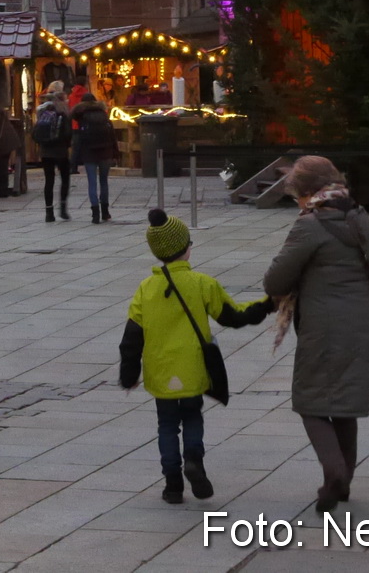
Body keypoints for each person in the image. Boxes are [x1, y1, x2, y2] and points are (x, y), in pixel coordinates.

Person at [119, 209, 273, 503]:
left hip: (160, 371)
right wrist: (266, 305)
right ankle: (194, 460)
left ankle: (172, 484)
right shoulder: (202, 283)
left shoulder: (145, 289)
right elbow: (233, 316)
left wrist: (129, 376)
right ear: (186, 249)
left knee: (166, 424)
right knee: (192, 416)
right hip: (193, 368)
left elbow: (131, 338)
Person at [261, 155, 369, 513]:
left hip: (325, 326)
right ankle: (343, 483)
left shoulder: (310, 224)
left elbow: (275, 280)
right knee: (344, 404)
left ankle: (334, 472)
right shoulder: (357, 214)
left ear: (309, 192)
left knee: (310, 401)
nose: (296, 202)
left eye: (296, 195)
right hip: (363, 320)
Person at [73, 92, 117, 223]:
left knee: (92, 182)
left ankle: (95, 213)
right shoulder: (104, 115)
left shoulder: (82, 117)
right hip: (105, 152)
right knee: (104, 181)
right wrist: (115, 153)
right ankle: (105, 212)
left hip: (89, 153)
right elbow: (112, 135)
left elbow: (78, 139)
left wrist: (75, 158)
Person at [33, 91, 72, 222]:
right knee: (65, 180)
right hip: (61, 152)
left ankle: (49, 212)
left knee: (49, 181)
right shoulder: (63, 114)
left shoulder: (42, 114)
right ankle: (63, 208)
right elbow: (68, 134)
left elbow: (35, 134)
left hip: (46, 153)